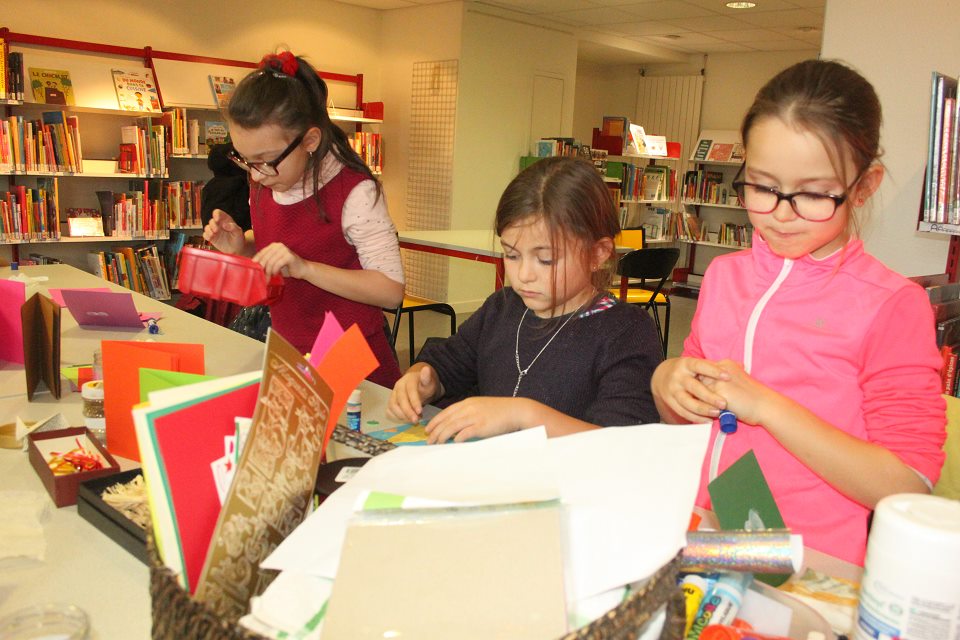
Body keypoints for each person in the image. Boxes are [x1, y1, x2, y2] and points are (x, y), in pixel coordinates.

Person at [651, 60, 946, 565]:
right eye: (763, 187)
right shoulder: (726, 276)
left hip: (811, 562)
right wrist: (666, 382)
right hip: (708, 531)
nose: (782, 213)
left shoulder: (891, 303)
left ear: (864, 185)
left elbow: (907, 483)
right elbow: (689, 421)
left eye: (812, 193)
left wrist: (767, 407)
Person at [388, 156, 663, 444]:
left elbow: (623, 445)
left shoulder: (626, 332)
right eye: (512, 255)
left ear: (598, 254)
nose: (523, 275)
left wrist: (522, 416)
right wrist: (425, 378)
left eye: (545, 259)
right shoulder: (503, 307)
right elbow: (449, 362)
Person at [202, 50, 404, 387]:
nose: (257, 174)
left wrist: (305, 269)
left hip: (352, 365)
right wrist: (242, 245)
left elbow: (390, 291)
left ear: (309, 140)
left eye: (265, 160)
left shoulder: (354, 191)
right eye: (246, 160)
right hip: (291, 353)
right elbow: (284, 246)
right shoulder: (266, 179)